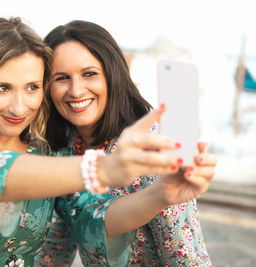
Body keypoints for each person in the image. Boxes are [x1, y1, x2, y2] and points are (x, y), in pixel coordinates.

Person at [0, 17, 188, 267]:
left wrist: (162, 194)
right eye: (2, 88)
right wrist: (103, 169)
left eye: (32, 87)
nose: (19, 107)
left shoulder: (50, 152)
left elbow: (92, 217)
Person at [35, 20, 217, 266]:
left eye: (89, 74)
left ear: (113, 75)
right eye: (62, 78)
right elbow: (54, 250)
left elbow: (185, 257)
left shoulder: (150, 150)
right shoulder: (63, 147)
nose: (76, 91)